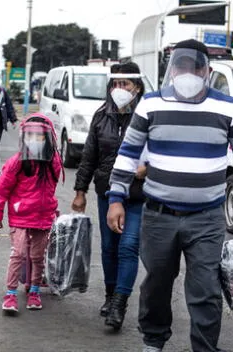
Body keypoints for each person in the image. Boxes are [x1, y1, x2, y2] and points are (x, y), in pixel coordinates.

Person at [106, 39, 233, 352]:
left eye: (194, 67)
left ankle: (204, 347)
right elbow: (128, 154)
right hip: (159, 215)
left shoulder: (227, 107)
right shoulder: (151, 104)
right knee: (156, 282)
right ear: (172, 70)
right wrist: (116, 198)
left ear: (206, 70)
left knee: (206, 290)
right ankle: (153, 341)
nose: (187, 73)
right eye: (180, 66)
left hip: (207, 219)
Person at [72, 63, 147, 331]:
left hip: (137, 195)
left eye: (125, 84)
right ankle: (109, 295)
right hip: (106, 190)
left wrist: (146, 169)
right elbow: (89, 156)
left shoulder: (149, 115)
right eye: (115, 84)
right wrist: (80, 191)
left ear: (137, 87)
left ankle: (119, 303)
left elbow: (163, 152)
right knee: (109, 248)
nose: (119, 89)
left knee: (128, 246)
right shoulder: (101, 115)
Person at [0, 114, 62, 313]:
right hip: (20, 216)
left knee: (38, 257)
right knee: (18, 254)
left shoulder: (52, 162)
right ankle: (11, 294)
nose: (35, 141)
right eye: (31, 137)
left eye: (40, 137)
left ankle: (34, 292)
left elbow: (51, 187)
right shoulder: (17, 162)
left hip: (42, 216)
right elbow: (1, 189)